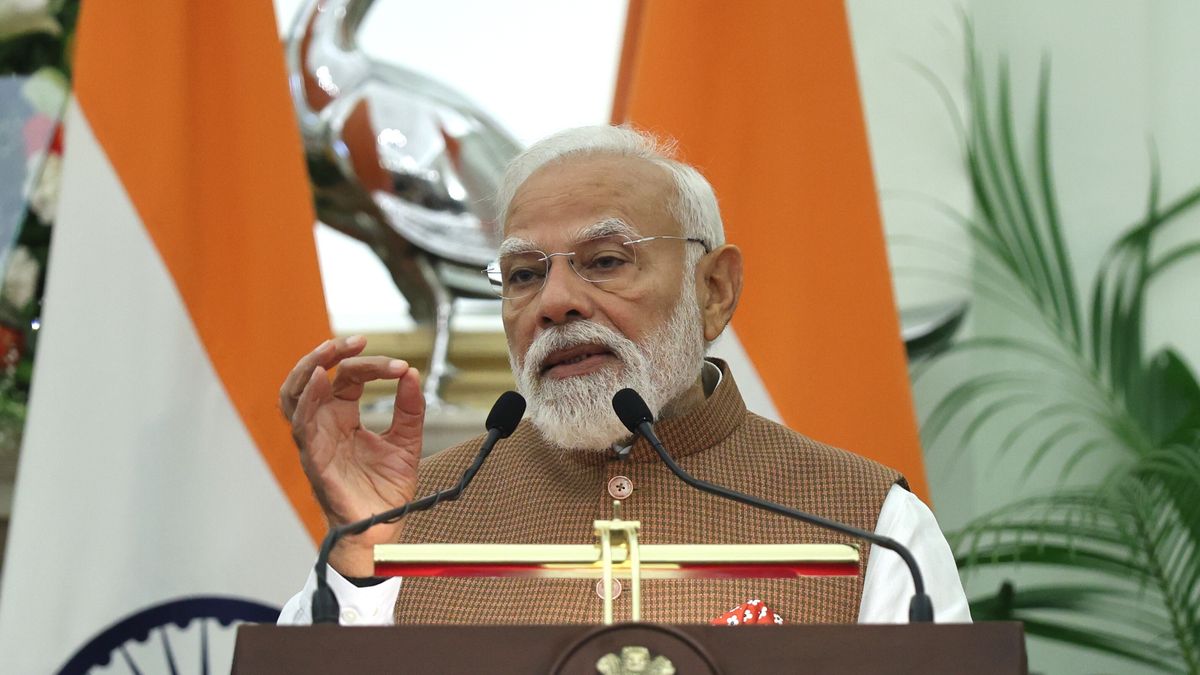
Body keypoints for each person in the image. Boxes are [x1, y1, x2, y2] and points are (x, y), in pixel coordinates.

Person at [277, 125, 970, 625]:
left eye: (605, 260)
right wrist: (360, 562)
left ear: (715, 288)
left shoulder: (870, 522)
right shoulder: (410, 524)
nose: (554, 303)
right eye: (524, 274)